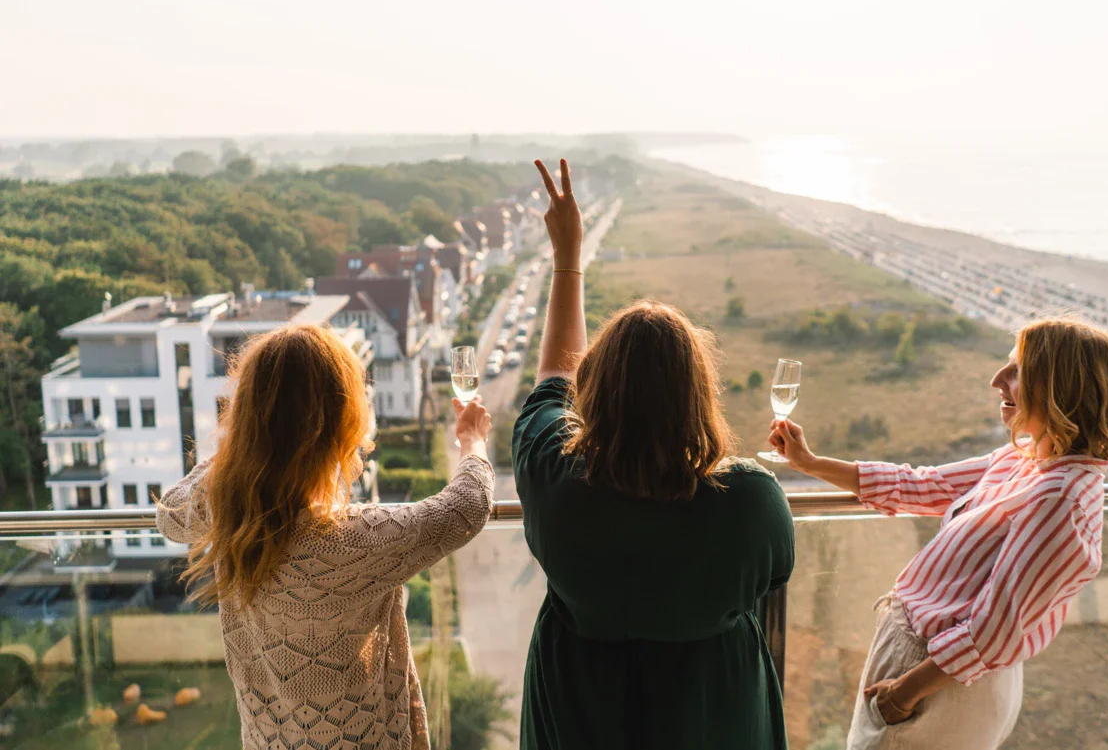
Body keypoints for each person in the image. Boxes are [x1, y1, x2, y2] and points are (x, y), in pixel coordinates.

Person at [513, 159, 795, 750]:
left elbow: (552, 382)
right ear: (699, 397)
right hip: (712, 714)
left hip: (583, 711)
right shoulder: (748, 501)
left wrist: (568, 258)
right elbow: (773, 575)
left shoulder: (554, 482)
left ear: (593, 393)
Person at [768, 317, 1108, 750]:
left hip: (942, 686)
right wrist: (810, 463)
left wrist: (902, 695)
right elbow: (923, 486)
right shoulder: (1024, 460)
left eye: (1017, 371)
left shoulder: (1061, 498)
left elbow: (997, 629)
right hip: (924, 671)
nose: (996, 380)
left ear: (1061, 388)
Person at [156, 323, 495, 750]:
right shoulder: (352, 540)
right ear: (340, 421)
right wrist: (472, 440)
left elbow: (170, 514)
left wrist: (242, 447)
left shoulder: (233, 516)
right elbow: (467, 506)